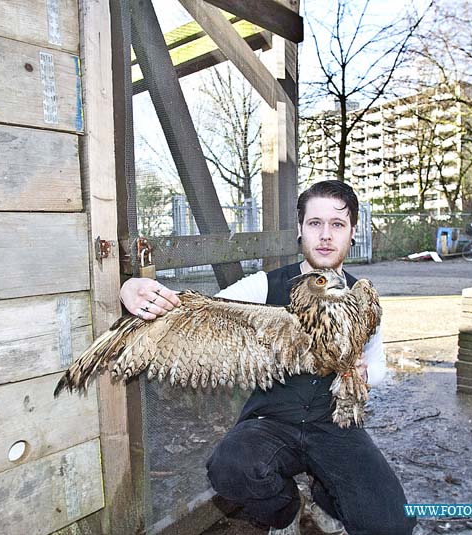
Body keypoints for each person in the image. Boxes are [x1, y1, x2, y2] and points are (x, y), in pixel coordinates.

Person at [119, 181, 416, 535]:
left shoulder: (362, 296)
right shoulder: (264, 285)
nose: (325, 235)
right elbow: (197, 309)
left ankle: (324, 497)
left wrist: (366, 375)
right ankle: (286, 512)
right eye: (314, 223)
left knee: (392, 523)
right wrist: (129, 288)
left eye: (337, 225)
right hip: (272, 421)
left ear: (353, 232)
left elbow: (378, 360)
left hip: (335, 424)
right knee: (231, 466)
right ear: (300, 230)